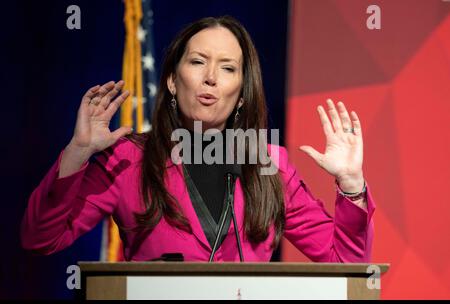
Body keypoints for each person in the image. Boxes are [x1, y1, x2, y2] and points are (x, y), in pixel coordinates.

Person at [21, 16, 374, 262]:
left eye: (227, 68)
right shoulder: (128, 158)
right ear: (173, 81)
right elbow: (40, 240)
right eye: (197, 62)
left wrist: (351, 185)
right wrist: (77, 153)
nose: (210, 78)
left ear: (241, 91)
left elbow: (345, 261)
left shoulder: (270, 164)